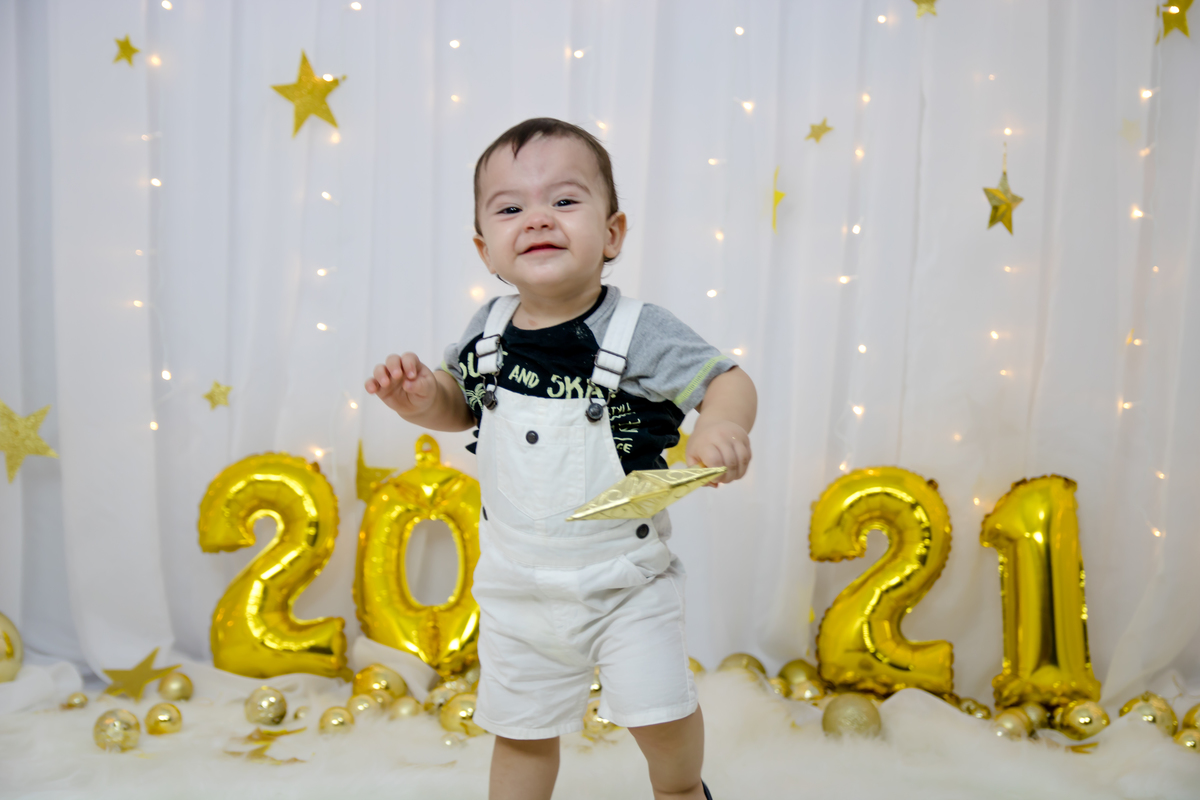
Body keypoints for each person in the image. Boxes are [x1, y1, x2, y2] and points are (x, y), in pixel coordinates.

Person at [365, 118, 756, 800]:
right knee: (520, 733)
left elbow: (727, 380)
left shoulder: (641, 331)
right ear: (487, 248)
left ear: (612, 233)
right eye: (511, 207)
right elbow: (462, 408)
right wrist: (422, 398)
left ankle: (680, 789)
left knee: (659, 714)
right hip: (519, 585)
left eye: (565, 201)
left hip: (624, 580)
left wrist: (722, 427)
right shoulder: (486, 330)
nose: (538, 217)